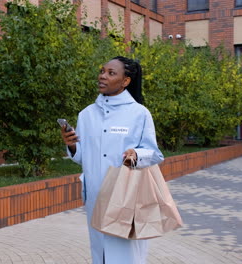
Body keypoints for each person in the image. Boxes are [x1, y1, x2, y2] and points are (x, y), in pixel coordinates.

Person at [60, 56, 164, 264]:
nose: (102, 76)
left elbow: (154, 154)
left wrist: (136, 155)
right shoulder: (86, 115)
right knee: (100, 253)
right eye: (102, 71)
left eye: (111, 73)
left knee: (126, 255)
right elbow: (82, 158)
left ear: (125, 81)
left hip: (126, 197)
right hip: (96, 197)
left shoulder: (139, 114)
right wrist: (72, 145)